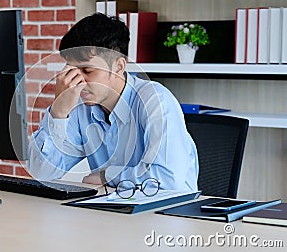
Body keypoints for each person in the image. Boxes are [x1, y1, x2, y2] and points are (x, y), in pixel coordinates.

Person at [27, 13, 198, 191]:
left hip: (169, 213)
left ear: (119, 66)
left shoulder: (155, 100)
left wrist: (106, 175)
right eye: (71, 70)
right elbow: (42, 174)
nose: (77, 80)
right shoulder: (80, 108)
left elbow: (167, 179)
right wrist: (58, 114)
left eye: (87, 70)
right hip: (112, 212)